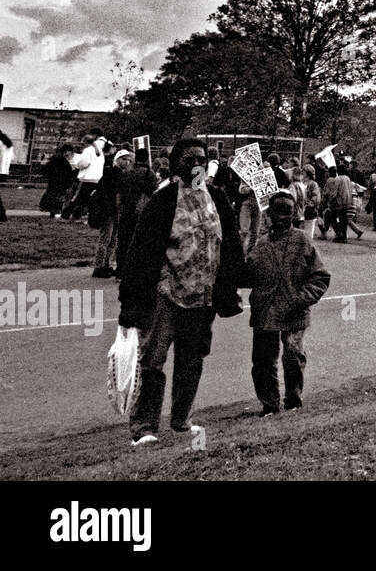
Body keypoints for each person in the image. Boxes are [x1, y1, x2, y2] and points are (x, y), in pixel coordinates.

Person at [117, 139, 245, 446]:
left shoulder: (216, 196)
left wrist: (230, 286)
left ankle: (180, 420)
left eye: (201, 158)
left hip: (203, 298)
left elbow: (230, 244)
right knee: (153, 362)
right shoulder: (163, 201)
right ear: (176, 166)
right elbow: (140, 253)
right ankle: (145, 427)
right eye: (189, 160)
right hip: (166, 294)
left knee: (192, 359)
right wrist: (131, 302)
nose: (196, 164)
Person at [239, 191, 331, 416]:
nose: (282, 217)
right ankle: (269, 404)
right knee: (263, 360)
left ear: (294, 214)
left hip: (294, 311)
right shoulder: (260, 246)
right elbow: (246, 276)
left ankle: (293, 401)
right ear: (269, 214)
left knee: (292, 355)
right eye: (278, 212)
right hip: (265, 310)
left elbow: (320, 277)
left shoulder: (302, 240)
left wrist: (301, 299)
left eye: (287, 212)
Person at [90, 149, 133, 278]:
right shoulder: (111, 173)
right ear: (118, 160)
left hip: (115, 210)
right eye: (124, 159)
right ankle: (99, 266)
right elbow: (107, 192)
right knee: (106, 238)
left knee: (112, 239)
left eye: (128, 160)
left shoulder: (119, 173)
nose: (127, 162)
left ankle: (106, 264)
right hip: (108, 210)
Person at [63, 129, 106, 220]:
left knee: (78, 198)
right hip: (97, 177)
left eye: (83, 144)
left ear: (86, 143)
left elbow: (84, 163)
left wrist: (77, 165)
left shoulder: (88, 150)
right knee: (88, 199)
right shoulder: (99, 151)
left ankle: (66, 215)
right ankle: (78, 215)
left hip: (87, 178)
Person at [40, 143, 77, 218]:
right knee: (58, 197)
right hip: (61, 181)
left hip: (54, 180)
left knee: (52, 195)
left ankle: (52, 212)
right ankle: (55, 211)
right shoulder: (64, 161)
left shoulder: (55, 159)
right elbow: (69, 171)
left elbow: (47, 168)